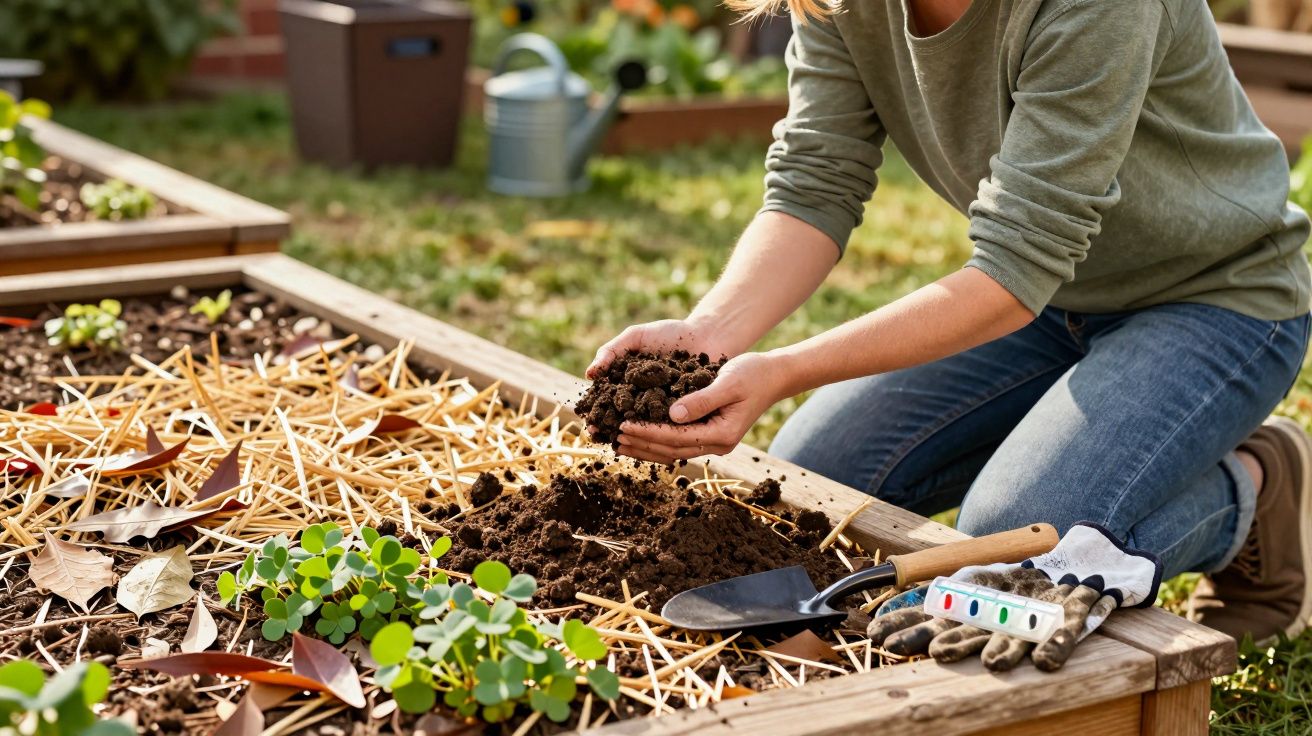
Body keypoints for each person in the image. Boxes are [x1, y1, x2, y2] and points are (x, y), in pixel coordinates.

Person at [586, 0, 1312, 644]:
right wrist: (710, 331)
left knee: (1004, 554)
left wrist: (785, 370)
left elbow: (1011, 272)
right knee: (816, 483)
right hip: (1052, 299)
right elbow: (815, 181)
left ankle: (1253, 491)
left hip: (1218, 299)